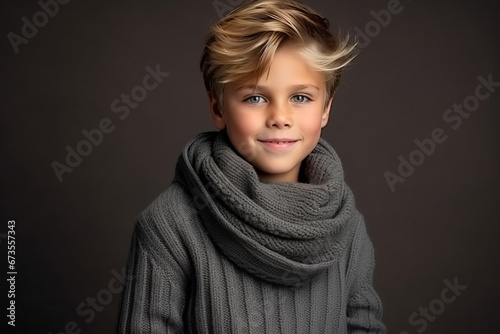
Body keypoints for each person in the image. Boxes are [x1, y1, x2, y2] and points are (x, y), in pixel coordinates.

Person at [117, 0, 386, 332]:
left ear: (326, 108)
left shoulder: (347, 228)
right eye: (255, 98)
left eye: (300, 97)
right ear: (218, 108)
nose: (280, 118)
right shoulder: (170, 226)